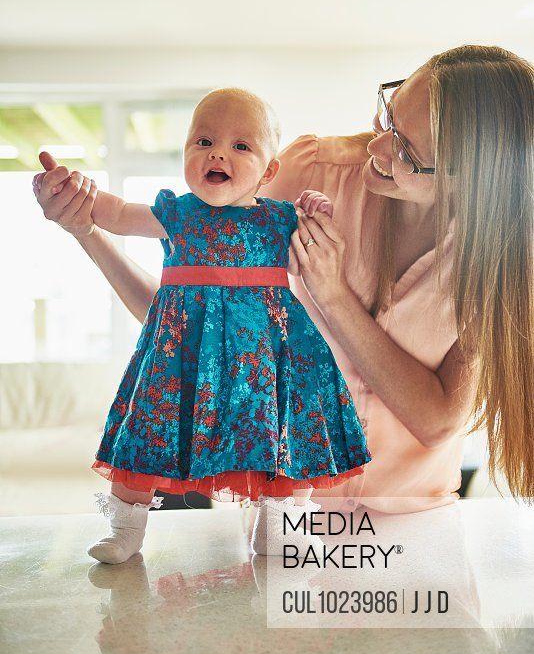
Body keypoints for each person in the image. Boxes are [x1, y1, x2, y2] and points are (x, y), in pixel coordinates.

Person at [34, 44, 534, 522]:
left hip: (417, 520)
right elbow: (192, 314)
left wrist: (333, 296)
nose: (377, 146)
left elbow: (438, 420)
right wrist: (87, 230)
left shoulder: (505, 255)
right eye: (389, 116)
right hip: (288, 516)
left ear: (473, 177)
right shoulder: (315, 169)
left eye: (405, 147)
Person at [35, 87, 371, 564]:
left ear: (269, 171)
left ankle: (279, 530)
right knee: (148, 432)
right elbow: (111, 213)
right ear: (186, 154)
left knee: (280, 437)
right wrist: (71, 192)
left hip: (264, 362)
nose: (217, 153)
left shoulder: (280, 220)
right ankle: (126, 530)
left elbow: (316, 257)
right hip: (181, 358)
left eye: (241, 146)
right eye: (204, 141)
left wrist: (317, 211)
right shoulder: (175, 214)